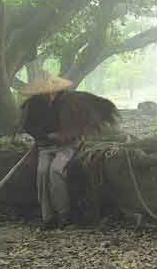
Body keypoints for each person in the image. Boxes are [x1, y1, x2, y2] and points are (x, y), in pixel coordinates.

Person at [19, 75, 118, 229]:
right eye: (46, 91)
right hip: (45, 147)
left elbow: (80, 126)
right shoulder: (33, 105)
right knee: (42, 172)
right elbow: (30, 127)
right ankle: (48, 217)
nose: (49, 93)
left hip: (68, 146)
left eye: (52, 90)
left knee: (56, 170)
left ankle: (64, 215)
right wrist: (46, 136)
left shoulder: (73, 101)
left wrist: (65, 136)